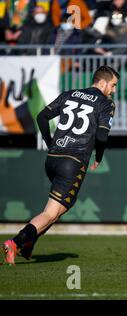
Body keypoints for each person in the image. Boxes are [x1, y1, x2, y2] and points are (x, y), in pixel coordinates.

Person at [2, 66, 120, 265]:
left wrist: (50, 144)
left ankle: (29, 242)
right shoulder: (105, 103)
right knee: (51, 213)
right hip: (73, 162)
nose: (114, 90)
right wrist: (98, 156)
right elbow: (101, 135)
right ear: (102, 83)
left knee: (58, 210)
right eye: (113, 85)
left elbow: (41, 117)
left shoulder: (69, 94)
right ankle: (15, 242)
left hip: (53, 158)